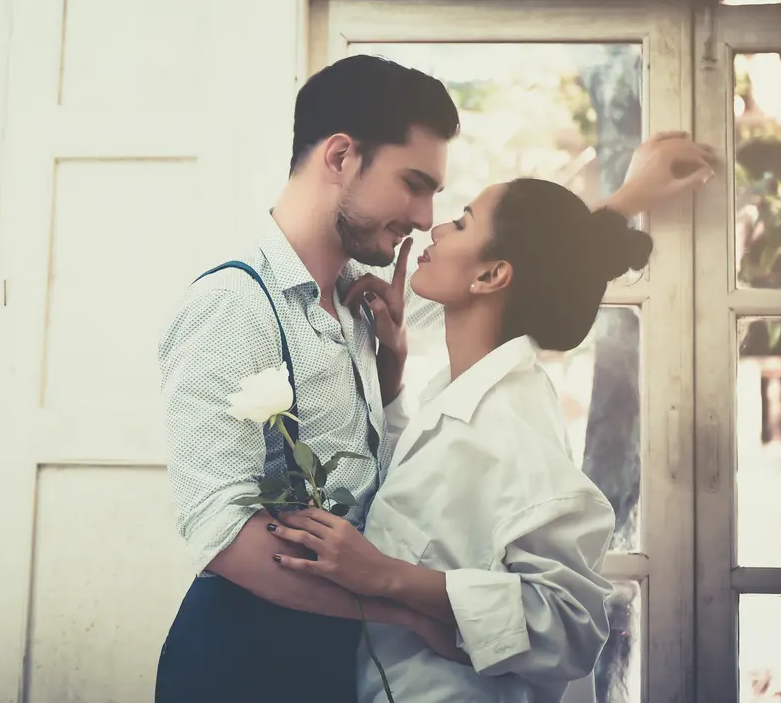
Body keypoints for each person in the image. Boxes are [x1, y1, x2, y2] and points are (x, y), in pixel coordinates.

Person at [153, 53, 716, 703]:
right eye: (413, 183)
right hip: (242, 665)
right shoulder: (232, 308)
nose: (425, 218)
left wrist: (625, 201)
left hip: (340, 667)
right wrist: (401, 606)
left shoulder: (370, 296)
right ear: (340, 157)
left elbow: (521, 269)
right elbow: (221, 534)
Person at [269, 177, 655, 702]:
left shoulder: (515, 426)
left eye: (463, 222)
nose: (437, 228)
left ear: (491, 275)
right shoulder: (465, 394)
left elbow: (571, 626)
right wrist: (392, 365)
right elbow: (430, 497)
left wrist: (386, 576)